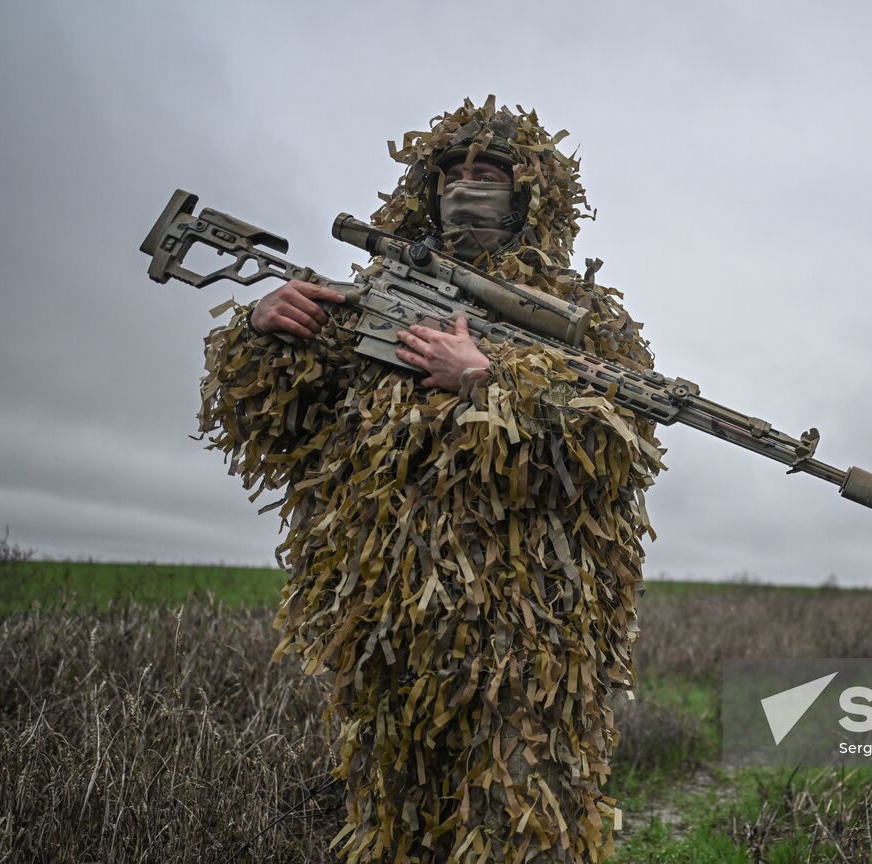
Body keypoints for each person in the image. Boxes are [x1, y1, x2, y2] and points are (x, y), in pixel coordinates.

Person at [199, 96, 663, 863]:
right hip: (386, 634)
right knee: (396, 830)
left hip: (530, 644)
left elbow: (617, 455)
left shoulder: (582, 320)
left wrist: (488, 383)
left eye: (488, 172)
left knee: (523, 829)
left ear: (531, 193)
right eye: (451, 171)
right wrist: (263, 333)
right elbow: (278, 433)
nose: (465, 185)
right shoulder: (376, 302)